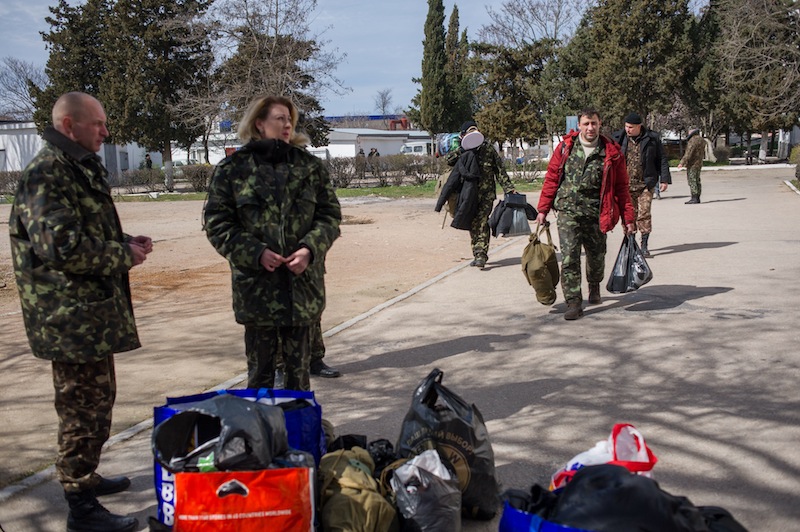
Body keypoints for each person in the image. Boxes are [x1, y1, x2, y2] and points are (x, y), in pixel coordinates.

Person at [8, 92, 152, 532]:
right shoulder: (49, 173)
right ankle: (81, 507)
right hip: (68, 320)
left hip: (87, 317)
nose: (106, 132)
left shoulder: (74, 168)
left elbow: (82, 229)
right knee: (81, 410)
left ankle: (86, 476)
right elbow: (61, 247)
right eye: (98, 124)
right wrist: (121, 253)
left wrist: (125, 240)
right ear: (69, 125)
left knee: (97, 402)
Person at [204, 95, 341, 391]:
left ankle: (297, 435)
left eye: (290, 119)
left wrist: (309, 249)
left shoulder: (309, 168)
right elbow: (216, 223)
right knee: (260, 378)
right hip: (257, 291)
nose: (287, 124)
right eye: (280, 118)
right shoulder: (233, 170)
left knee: (298, 381)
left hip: (301, 288)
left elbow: (330, 217)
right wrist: (255, 252)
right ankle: (261, 436)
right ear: (259, 124)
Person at [536, 108, 635, 320]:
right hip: (568, 212)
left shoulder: (611, 152)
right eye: (586, 124)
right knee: (570, 256)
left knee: (596, 256)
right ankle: (573, 302)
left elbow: (621, 188)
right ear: (579, 125)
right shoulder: (565, 148)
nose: (590, 128)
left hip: (597, 213)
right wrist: (543, 209)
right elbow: (552, 178)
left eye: (594, 124)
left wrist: (628, 218)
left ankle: (594, 284)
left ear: (600, 124)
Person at [437, 120, 515, 269]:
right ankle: (477, 252)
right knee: (473, 224)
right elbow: (449, 161)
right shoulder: (462, 150)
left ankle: (481, 254)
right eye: (469, 132)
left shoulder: (488, 149)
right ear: (463, 135)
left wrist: (509, 188)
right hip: (468, 194)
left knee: (481, 222)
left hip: (486, 194)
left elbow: (500, 170)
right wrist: (463, 147)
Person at [611, 112, 671, 257]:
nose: (627, 129)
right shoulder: (619, 138)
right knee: (629, 216)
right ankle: (631, 243)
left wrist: (664, 179)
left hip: (645, 183)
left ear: (639, 126)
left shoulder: (652, 138)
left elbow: (661, 158)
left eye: (631, 127)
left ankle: (644, 245)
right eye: (626, 126)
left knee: (644, 214)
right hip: (625, 185)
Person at [677, 128, 705, 204]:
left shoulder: (692, 140)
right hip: (699, 162)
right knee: (697, 180)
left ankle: (694, 197)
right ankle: (697, 196)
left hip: (692, 163)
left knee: (692, 180)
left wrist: (682, 162)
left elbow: (689, 153)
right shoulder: (701, 140)